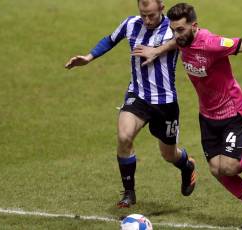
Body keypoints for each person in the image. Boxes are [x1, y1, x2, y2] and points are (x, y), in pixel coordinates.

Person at [132, 2, 242, 228]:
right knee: (217, 170)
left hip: (233, 113)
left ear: (194, 26)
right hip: (207, 117)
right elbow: (175, 43)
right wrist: (156, 50)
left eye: (180, 30)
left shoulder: (211, 43)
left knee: (229, 167)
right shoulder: (181, 39)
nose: (176, 35)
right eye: (173, 30)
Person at [64, 0, 196, 209]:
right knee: (124, 137)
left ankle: (187, 165)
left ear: (162, 7)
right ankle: (129, 192)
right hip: (138, 95)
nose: (147, 20)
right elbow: (110, 39)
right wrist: (89, 58)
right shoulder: (131, 24)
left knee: (168, 154)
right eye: (143, 14)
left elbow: (188, 37)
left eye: (151, 15)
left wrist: (157, 50)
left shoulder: (173, 27)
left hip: (165, 102)